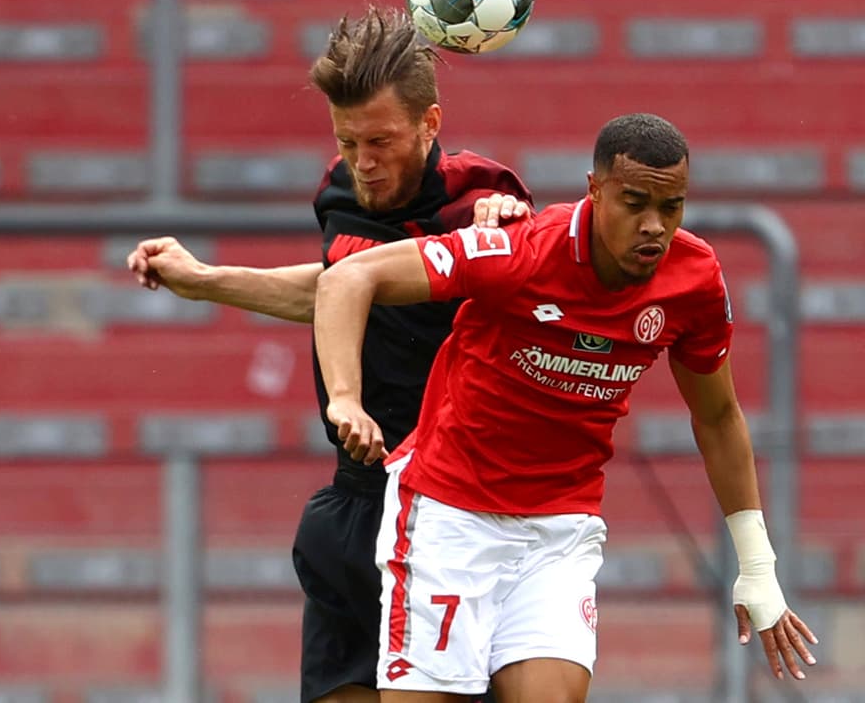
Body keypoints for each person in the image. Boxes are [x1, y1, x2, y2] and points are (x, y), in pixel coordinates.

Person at [311, 112, 819, 701]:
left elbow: (718, 416)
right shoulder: (521, 250)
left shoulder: (694, 278)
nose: (654, 226)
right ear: (595, 189)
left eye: (671, 207)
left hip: (559, 530)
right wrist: (345, 398)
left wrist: (756, 564)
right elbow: (348, 279)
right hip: (450, 518)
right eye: (634, 203)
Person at [126, 6, 532, 703]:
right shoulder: (340, 194)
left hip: (453, 514)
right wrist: (205, 282)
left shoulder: (482, 200)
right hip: (354, 502)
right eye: (348, 141)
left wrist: (507, 232)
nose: (364, 161)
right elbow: (340, 288)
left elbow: (530, 287)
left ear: (429, 124)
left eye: (381, 140)